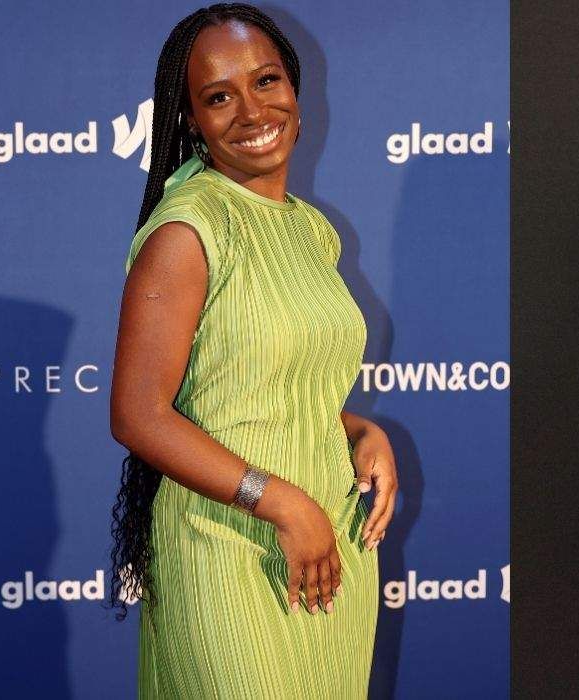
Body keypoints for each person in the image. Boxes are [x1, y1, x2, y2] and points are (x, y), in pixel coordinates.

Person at [108, 5, 397, 697]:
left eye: (265, 81)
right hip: (230, 543)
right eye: (217, 97)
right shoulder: (188, 228)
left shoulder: (311, 231)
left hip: (331, 547)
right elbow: (138, 415)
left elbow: (271, 385)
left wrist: (358, 429)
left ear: (295, 91)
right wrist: (283, 505)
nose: (250, 109)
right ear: (190, 121)